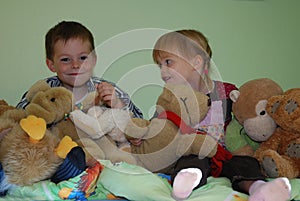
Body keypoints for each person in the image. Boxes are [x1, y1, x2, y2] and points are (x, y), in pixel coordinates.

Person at [149, 29, 291, 201]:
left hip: (226, 155)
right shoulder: (170, 99)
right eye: (160, 65)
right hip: (195, 152)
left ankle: (259, 188)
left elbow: (247, 113)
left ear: (196, 62)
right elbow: (156, 128)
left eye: (168, 62)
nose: (162, 72)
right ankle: (185, 182)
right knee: (190, 161)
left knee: (245, 163)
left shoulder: (227, 92)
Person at [15, 21, 143, 184]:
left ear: (94, 60)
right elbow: (21, 120)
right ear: (51, 64)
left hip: (102, 161)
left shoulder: (107, 90)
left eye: (83, 58)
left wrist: (118, 105)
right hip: (58, 158)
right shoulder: (44, 92)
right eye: (66, 60)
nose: (76, 65)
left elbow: (139, 123)